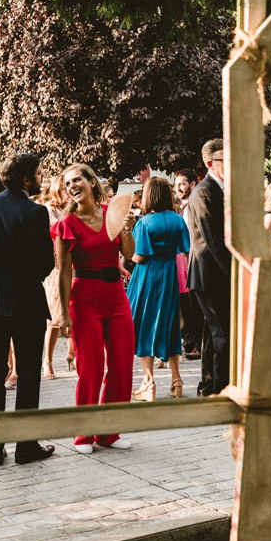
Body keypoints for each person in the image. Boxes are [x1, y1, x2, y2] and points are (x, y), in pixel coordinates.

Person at [0, 153, 56, 466]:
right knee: (29, 373)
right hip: (26, 303)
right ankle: (25, 446)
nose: (42, 177)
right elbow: (46, 262)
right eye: (39, 172)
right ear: (27, 179)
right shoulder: (35, 212)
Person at [54, 163, 136, 453]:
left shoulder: (111, 211)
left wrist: (126, 230)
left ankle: (109, 433)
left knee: (123, 365)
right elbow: (63, 272)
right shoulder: (67, 223)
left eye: (77, 180)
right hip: (84, 298)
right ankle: (83, 435)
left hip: (116, 296)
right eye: (67, 184)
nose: (72, 186)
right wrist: (63, 313)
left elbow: (128, 254)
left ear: (91, 182)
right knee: (90, 369)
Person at [127, 177, 191, 401]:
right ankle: (176, 379)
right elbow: (185, 250)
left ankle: (149, 382)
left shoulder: (144, 223)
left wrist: (127, 255)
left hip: (147, 277)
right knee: (170, 324)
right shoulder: (178, 220)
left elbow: (141, 256)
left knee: (144, 326)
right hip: (169, 276)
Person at [187, 139, 231, 396]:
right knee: (223, 334)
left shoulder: (222, 189)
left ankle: (208, 386)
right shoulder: (204, 192)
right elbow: (213, 240)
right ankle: (221, 390)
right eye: (226, 160)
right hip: (210, 274)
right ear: (210, 163)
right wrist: (234, 274)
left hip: (215, 274)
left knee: (213, 335)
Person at [41, 174, 75, 379]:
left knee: (76, 313)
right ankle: (48, 361)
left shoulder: (73, 210)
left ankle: (75, 355)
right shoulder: (47, 210)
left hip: (74, 266)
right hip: (54, 269)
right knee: (54, 318)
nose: (68, 192)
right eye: (64, 188)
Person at [172, 169, 202, 359]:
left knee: (193, 306)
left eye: (182, 184)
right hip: (183, 261)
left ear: (192, 184)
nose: (179, 188)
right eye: (177, 185)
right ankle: (190, 342)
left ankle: (196, 343)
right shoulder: (181, 208)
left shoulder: (195, 206)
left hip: (194, 259)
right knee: (186, 305)